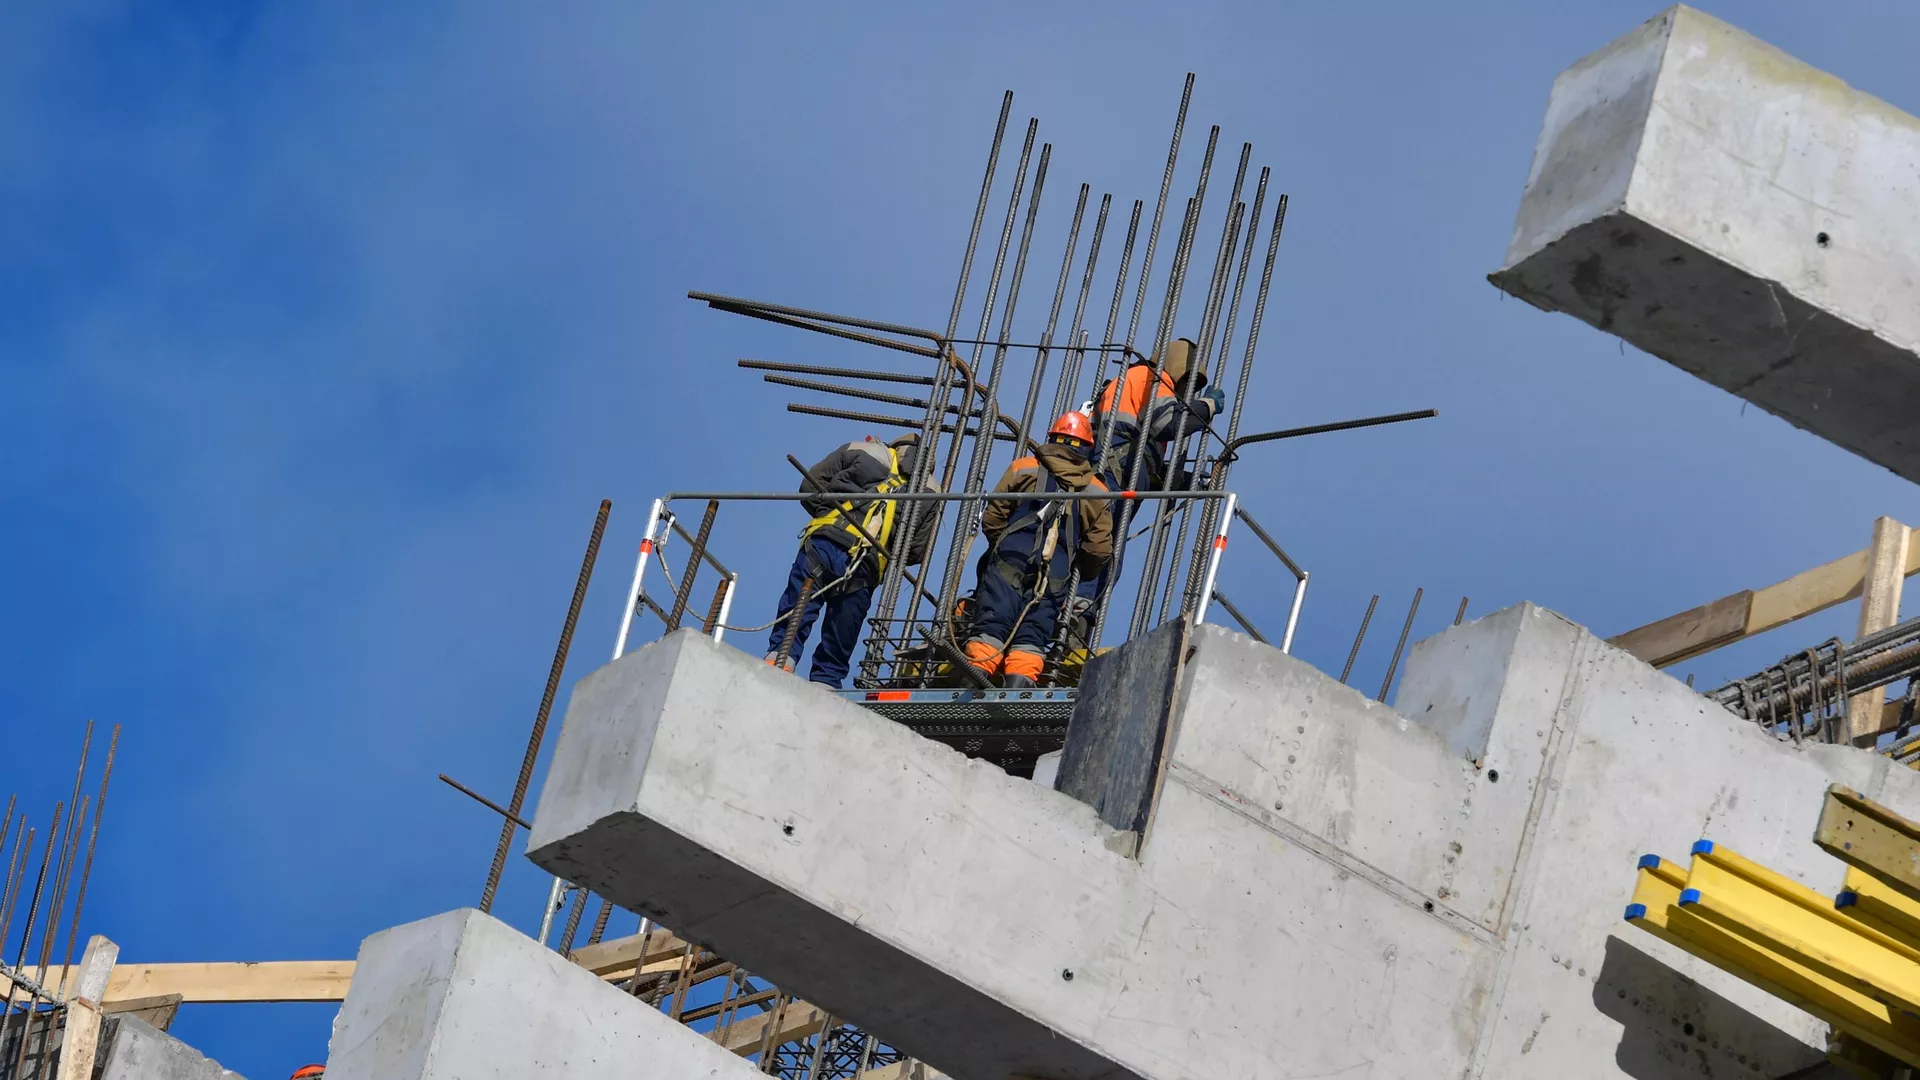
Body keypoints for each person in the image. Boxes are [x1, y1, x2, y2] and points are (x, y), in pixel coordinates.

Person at [766, 433, 937, 688]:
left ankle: (779, 661)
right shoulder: (932, 489)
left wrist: (833, 520)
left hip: (824, 544)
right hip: (865, 566)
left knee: (798, 608)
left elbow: (811, 487)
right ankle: (825, 684)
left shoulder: (862, 449)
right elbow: (914, 552)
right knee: (842, 631)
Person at [962, 411, 1115, 688]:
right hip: (1056, 570)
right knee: (1034, 629)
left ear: (1052, 437)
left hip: (1012, 556)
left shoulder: (1023, 467)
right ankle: (1017, 688)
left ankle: (974, 680)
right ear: (1087, 448)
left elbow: (994, 516)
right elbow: (1099, 550)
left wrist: (1002, 547)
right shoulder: (1097, 490)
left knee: (994, 617)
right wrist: (1080, 568)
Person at [1093, 336, 1226, 491]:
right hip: (1112, 470)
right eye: (1187, 381)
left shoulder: (1137, 390)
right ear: (1176, 371)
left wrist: (1189, 481)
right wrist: (1207, 405)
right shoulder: (1153, 378)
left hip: (1112, 468)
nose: (1188, 390)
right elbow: (1170, 425)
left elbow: (1146, 467)